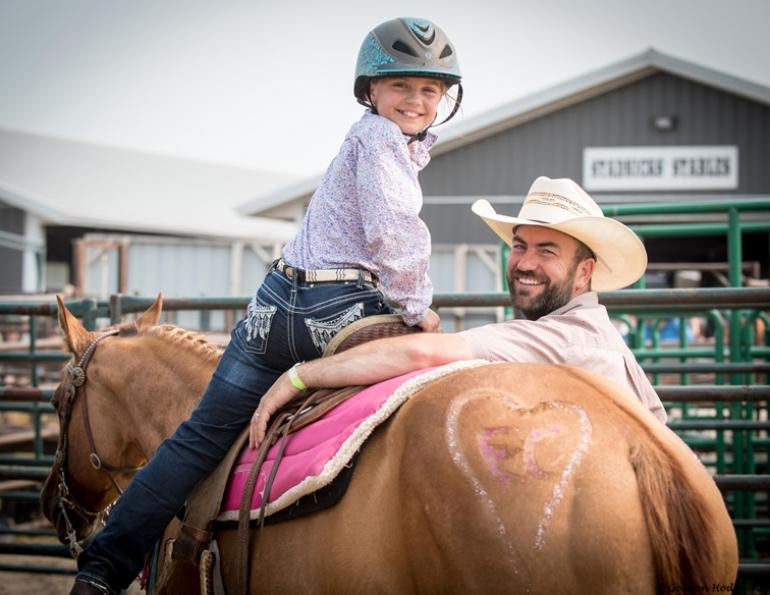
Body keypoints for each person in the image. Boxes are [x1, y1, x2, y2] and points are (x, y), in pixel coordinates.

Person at [71, 17, 463, 595]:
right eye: (401, 86)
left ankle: (103, 570)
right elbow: (394, 232)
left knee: (199, 437)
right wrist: (418, 306)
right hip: (338, 307)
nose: (416, 99)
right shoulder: (382, 140)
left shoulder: (361, 138)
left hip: (274, 305)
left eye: (429, 89)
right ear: (372, 91)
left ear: (442, 100)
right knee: (428, 373)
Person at [250, 176, 667, 450]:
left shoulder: (559, 336)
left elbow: (420, 356)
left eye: (547, 251)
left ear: (584, 272)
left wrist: (299, 376)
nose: (524, 262)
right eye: (520, 245)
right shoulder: (598, 337)